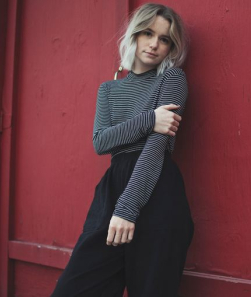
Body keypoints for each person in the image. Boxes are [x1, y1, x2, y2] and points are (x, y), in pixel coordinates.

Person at [50, 3, 194, 297]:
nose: (154, 44)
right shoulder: (108, 90)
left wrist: (128, 208)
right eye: (147, 33)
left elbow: (155, 147)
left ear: (171, 47)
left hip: (156, 187)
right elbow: (101, 142)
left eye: (165, 39)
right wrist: (150, 119)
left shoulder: (172, 79)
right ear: (134, 34)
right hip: (114, 187)